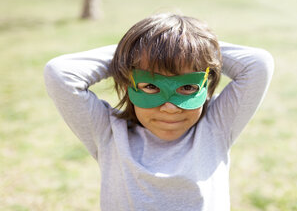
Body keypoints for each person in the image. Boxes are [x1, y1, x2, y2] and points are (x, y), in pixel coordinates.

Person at [44, 13, 274, 211]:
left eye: (187, 87)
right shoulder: (108, 133)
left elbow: (258, 64)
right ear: (127, 83)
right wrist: (134, 50)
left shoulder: (216, 126)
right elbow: (60, 73)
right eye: (151, 86)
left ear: (206, 85)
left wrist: (196, 46)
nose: (170, 108)